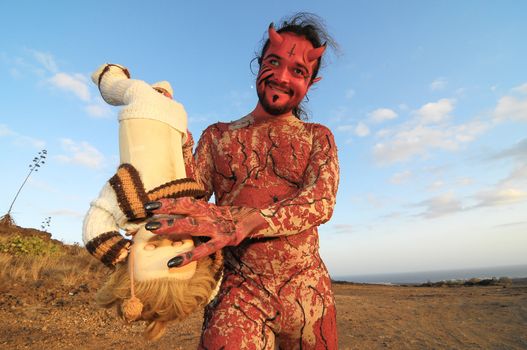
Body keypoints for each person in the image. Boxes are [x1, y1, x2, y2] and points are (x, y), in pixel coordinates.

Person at [145, 13, 340, 349]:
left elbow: (321, 201)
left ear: (311, 83)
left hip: (310, 292)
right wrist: (166, 132)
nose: (281, 76)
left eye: (298, 71)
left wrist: (246, 220)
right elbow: (188, 196)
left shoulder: (317, 138)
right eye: (274, 61)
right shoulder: (218, 137)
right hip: (240, 290)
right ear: (259, 62)